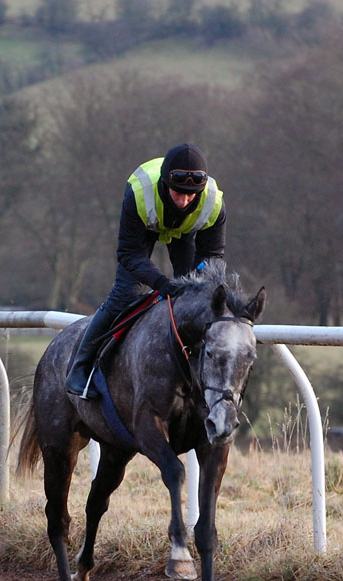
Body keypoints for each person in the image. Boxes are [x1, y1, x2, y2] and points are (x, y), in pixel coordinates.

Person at [65, 143, 226, 398]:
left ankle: (198, 371)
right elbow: (129, 255)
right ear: (165, 184)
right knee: (126, 293)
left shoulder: (214, 202)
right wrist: (161, 283)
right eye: (178, 193)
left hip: (184, 233)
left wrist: (196, 284)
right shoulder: (139, 195)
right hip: (145, 226)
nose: (184, 201)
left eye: (191, 195)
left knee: (196, 298)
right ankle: (80, 367)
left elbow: (212, 256)